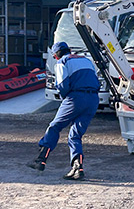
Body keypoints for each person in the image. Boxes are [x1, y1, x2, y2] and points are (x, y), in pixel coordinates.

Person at [27, 41, 100, 180]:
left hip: (76, 97)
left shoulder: (61, 62)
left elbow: (62, 85)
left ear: (55, 56)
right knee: (75, 134)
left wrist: (66, 99)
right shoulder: (86, 60)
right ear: (70, 50)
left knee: (55, 126)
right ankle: (78, 168)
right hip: (93, 99)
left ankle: (40, 160)